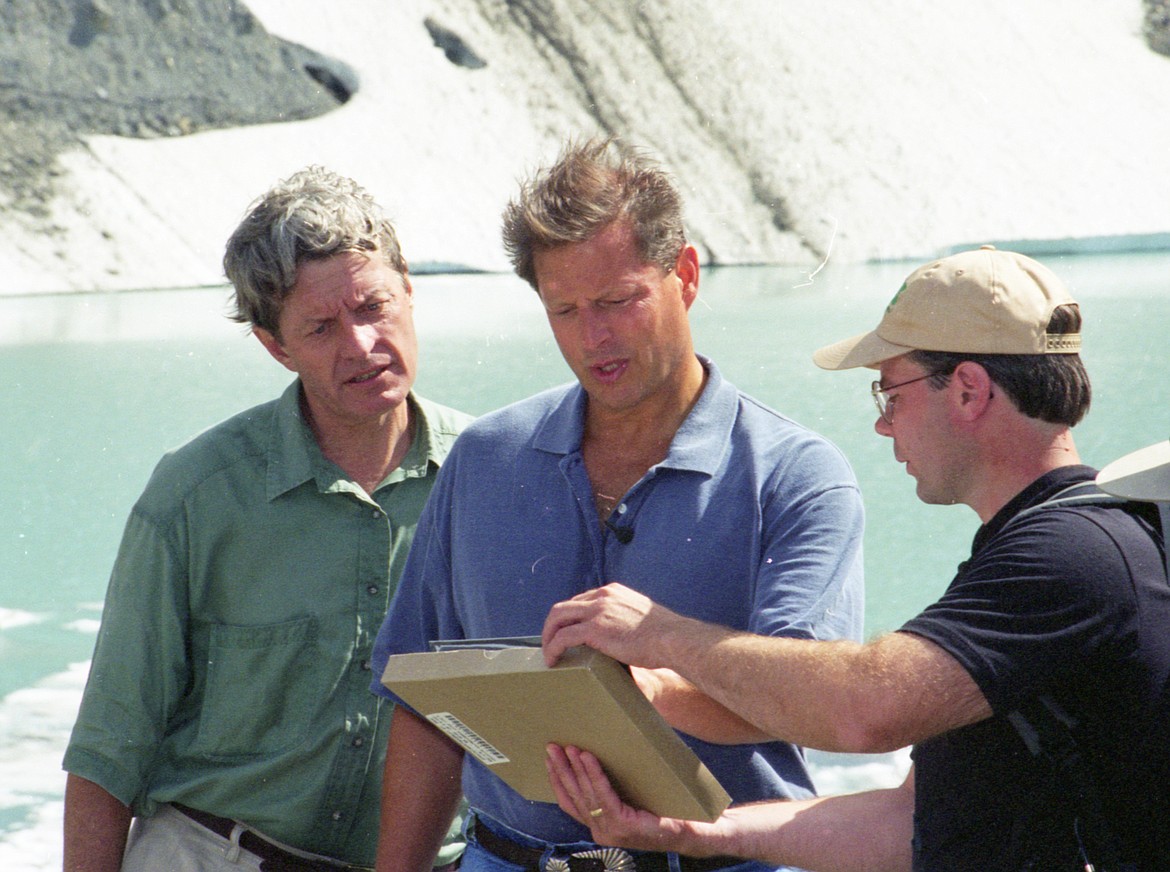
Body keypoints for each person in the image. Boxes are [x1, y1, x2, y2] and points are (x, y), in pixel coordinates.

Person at [541, 246, 1170, 871]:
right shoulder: (1066, 543)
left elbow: (866, 709)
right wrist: (697, 830)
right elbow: (909, 822)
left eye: (889, 393)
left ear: (970, 391)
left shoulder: (1067, 558)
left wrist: (660, 635)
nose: (883, 424)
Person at [368, 137, 866, 872]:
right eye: (564, 309)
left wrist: (651, 688)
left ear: (686, 275)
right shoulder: (482, 459)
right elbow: (425, 708)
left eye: (617, 300)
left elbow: (815, 703)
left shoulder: (799, 476)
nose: (593, 336)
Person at [62, 166, 473, 872]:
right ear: (274, 346)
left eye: (373, 306)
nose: (363, 345)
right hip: (212, 853)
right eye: (321, 327)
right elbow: (110, 747)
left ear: (409, 287)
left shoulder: (493, 478)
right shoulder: (194, 496)